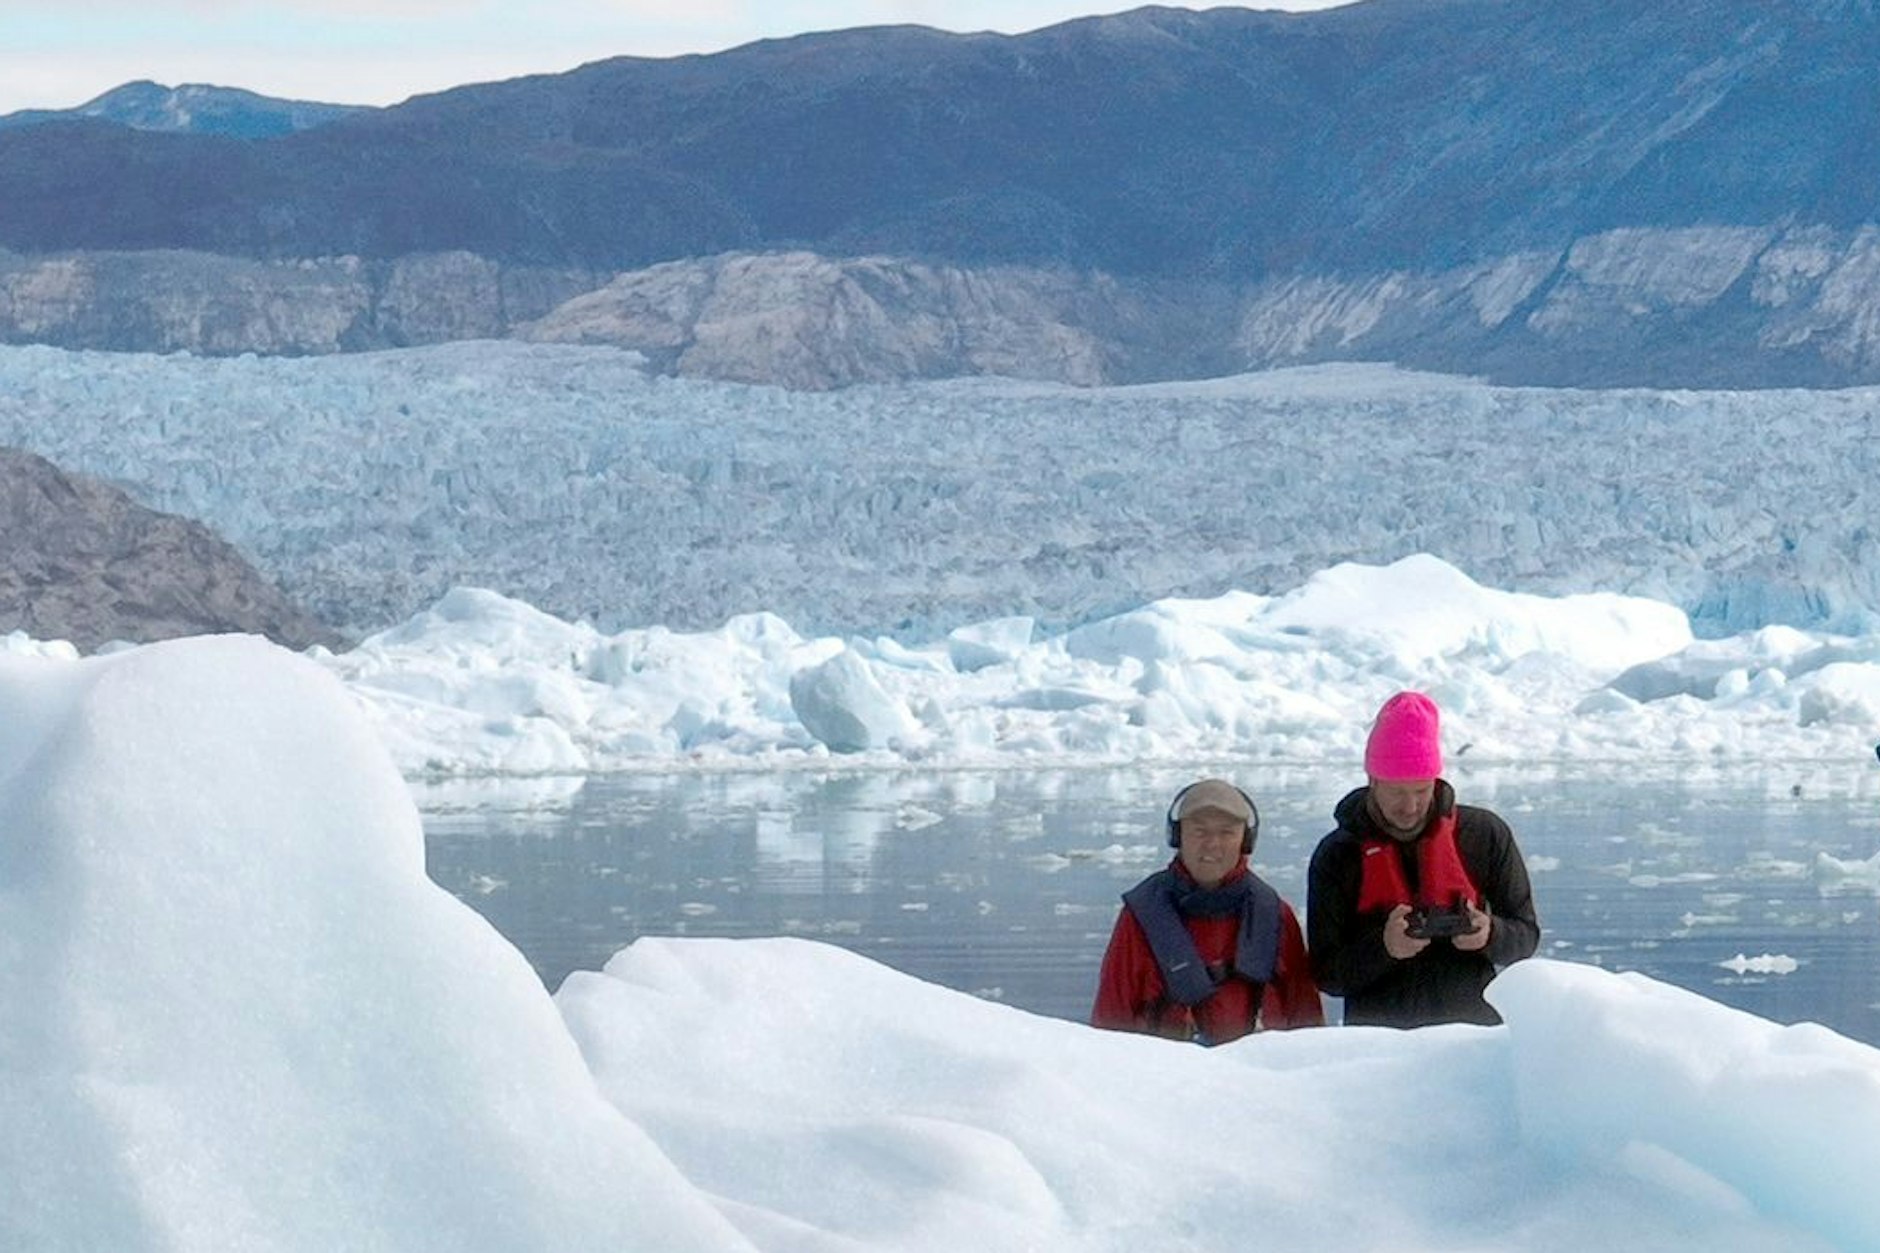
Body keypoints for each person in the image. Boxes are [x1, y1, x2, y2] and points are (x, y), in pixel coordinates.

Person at [1307, 691, 1539, 1028]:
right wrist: (1384, 948)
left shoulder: (1484, 835)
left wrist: (1491, 934)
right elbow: (1326, 974)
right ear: (1372, 781)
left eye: (1421, 791)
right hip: (1377, 1042)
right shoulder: (1337, 854)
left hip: (1471, 1036)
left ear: (1436, 781)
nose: (1410, 806)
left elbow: (1526, 937)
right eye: (1396, 792)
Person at [1092, 778, 1322, 1043]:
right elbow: (1109, 1026)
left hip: (1257, 1069)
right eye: (1199, 831)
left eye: (1227, 832)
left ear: (1245, 841)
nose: (1212, 844)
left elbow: (1308, 1028)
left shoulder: (1274, 917)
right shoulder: (1142, 917)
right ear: (1178, 836)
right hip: (1163, 1069)